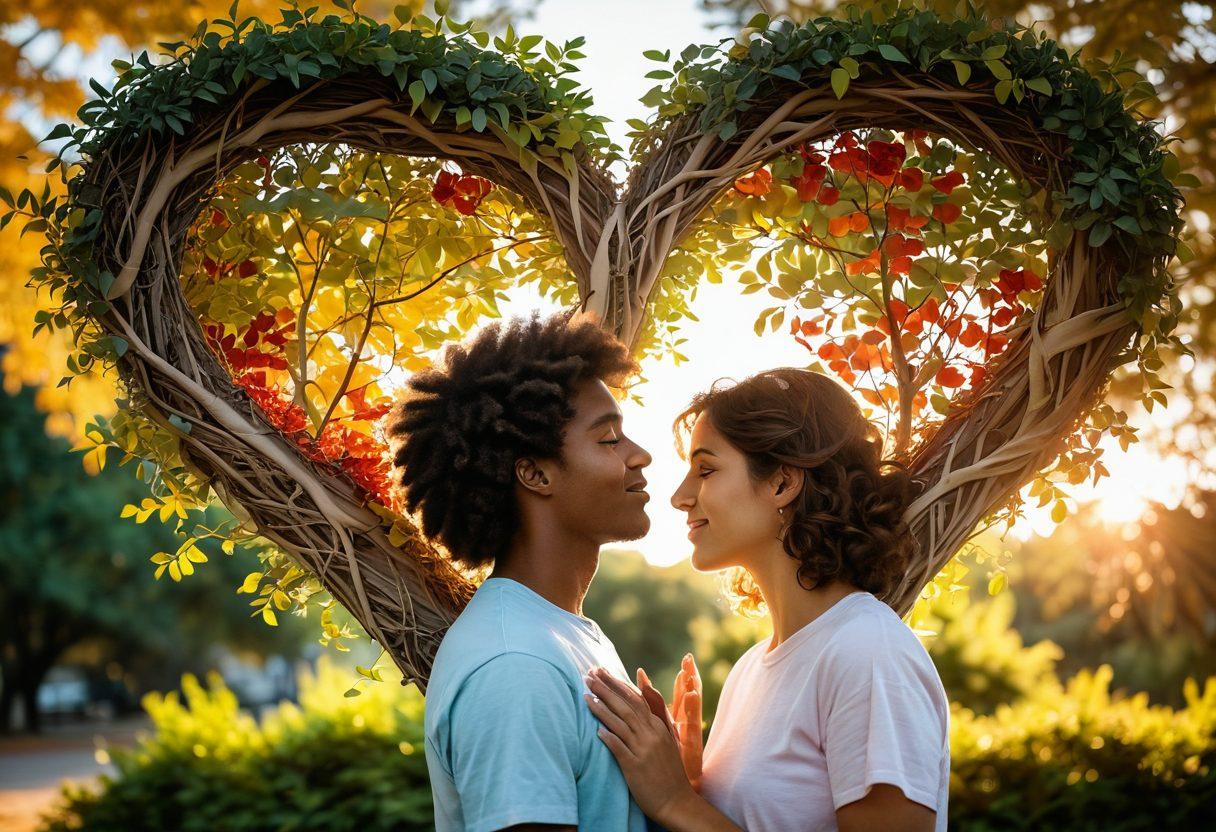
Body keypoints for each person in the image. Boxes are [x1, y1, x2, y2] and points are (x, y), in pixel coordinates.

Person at [583, 367, 950, 832]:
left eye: (707, 469)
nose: (679, 497)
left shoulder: (867, 653)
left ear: (782, 483)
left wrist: (677, 801)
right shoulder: (752, 669)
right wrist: (693, 786)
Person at [385, 309, 654, 832]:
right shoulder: (515, 664)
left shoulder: (558, 633)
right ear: (534, 474)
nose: (639, 455)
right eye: (609, 438)